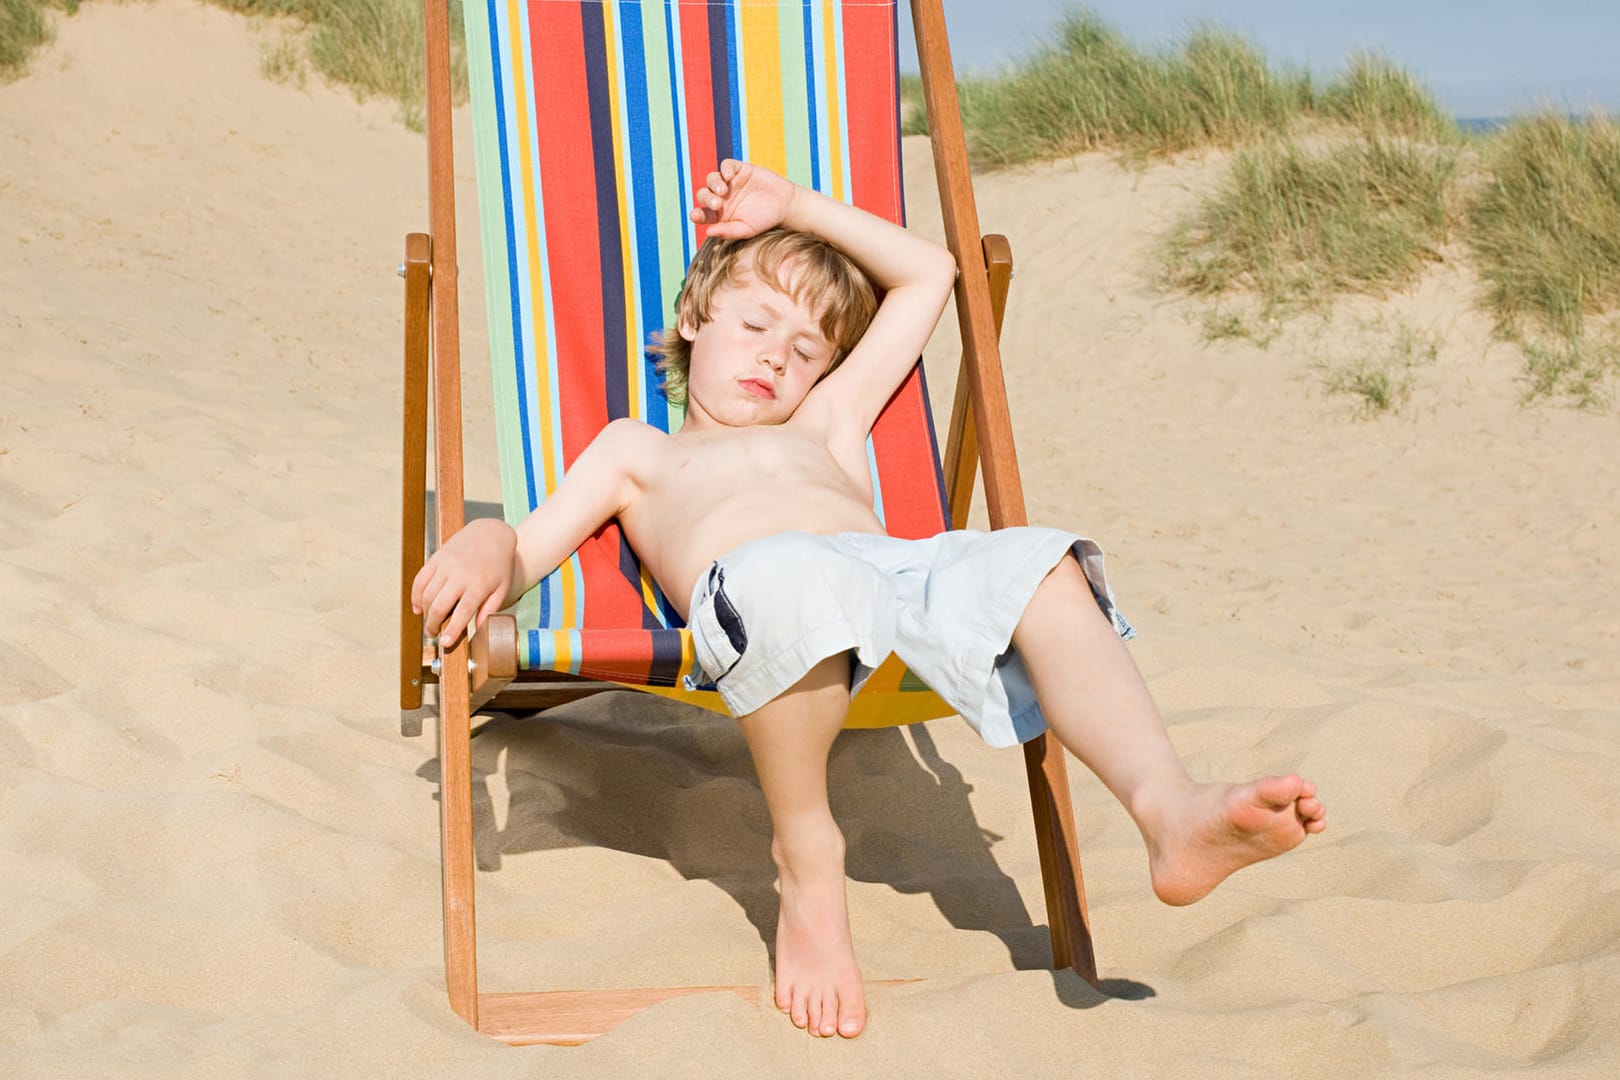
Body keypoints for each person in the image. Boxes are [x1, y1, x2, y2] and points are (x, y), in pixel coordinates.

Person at [411, 159, 1326, 1040]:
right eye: (757, 325)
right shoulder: (639, 451)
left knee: (1041, 562)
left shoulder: (828, 419)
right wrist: (483, 541)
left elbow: (929, 273)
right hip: (767, 593)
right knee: (791, 579)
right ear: (697, 316)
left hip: (893, 580)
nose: (777, 357)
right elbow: (526, 547)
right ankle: (811, 861)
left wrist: (795, 204)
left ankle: (1168, 810)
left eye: (805, 348)